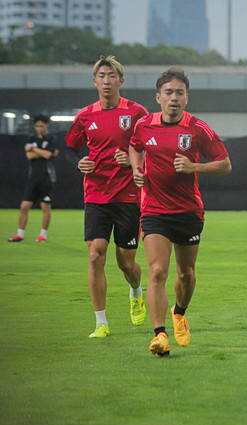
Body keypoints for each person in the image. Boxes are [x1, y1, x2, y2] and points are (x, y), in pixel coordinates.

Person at [129, 66, 231, 356]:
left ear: (187, 98)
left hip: (188, 211)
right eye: (169, 92)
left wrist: (194, 166)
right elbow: (134, 147)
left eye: (180, 93)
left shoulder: (198, 129)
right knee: (158, 270)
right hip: (154, 210)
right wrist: (138, 168)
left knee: (185, 273)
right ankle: (160, 335)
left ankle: (179, 312)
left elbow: (225, 164)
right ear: (158, 97)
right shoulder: (144, 125)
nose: (174, 98)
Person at [65, 55, 148, 338]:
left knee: (126, 263)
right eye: (101, 75)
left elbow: (155, 147)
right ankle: (101, 322)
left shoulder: (137, 113)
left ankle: (136, 290)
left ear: (121, 81)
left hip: (128, 197)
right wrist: (79, 162)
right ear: (95, 81)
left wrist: (133, 161)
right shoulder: (85, 115)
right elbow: (70, 148)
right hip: (96, 196)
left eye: (112, 75)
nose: (106, 80)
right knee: (95, 256)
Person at [8, 114, 59, 243]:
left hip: (47, 178)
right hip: (33, 178)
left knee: (45, 207)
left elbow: (48, 155)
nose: (39, 128)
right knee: (24, 205)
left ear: (47, 125)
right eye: (37, 126)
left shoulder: (52, 138)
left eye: (41, 125)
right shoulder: (31, 138)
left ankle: (43, 235)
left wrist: (34, 148)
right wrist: (39, 151)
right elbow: (29, 156)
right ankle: (20, 235)